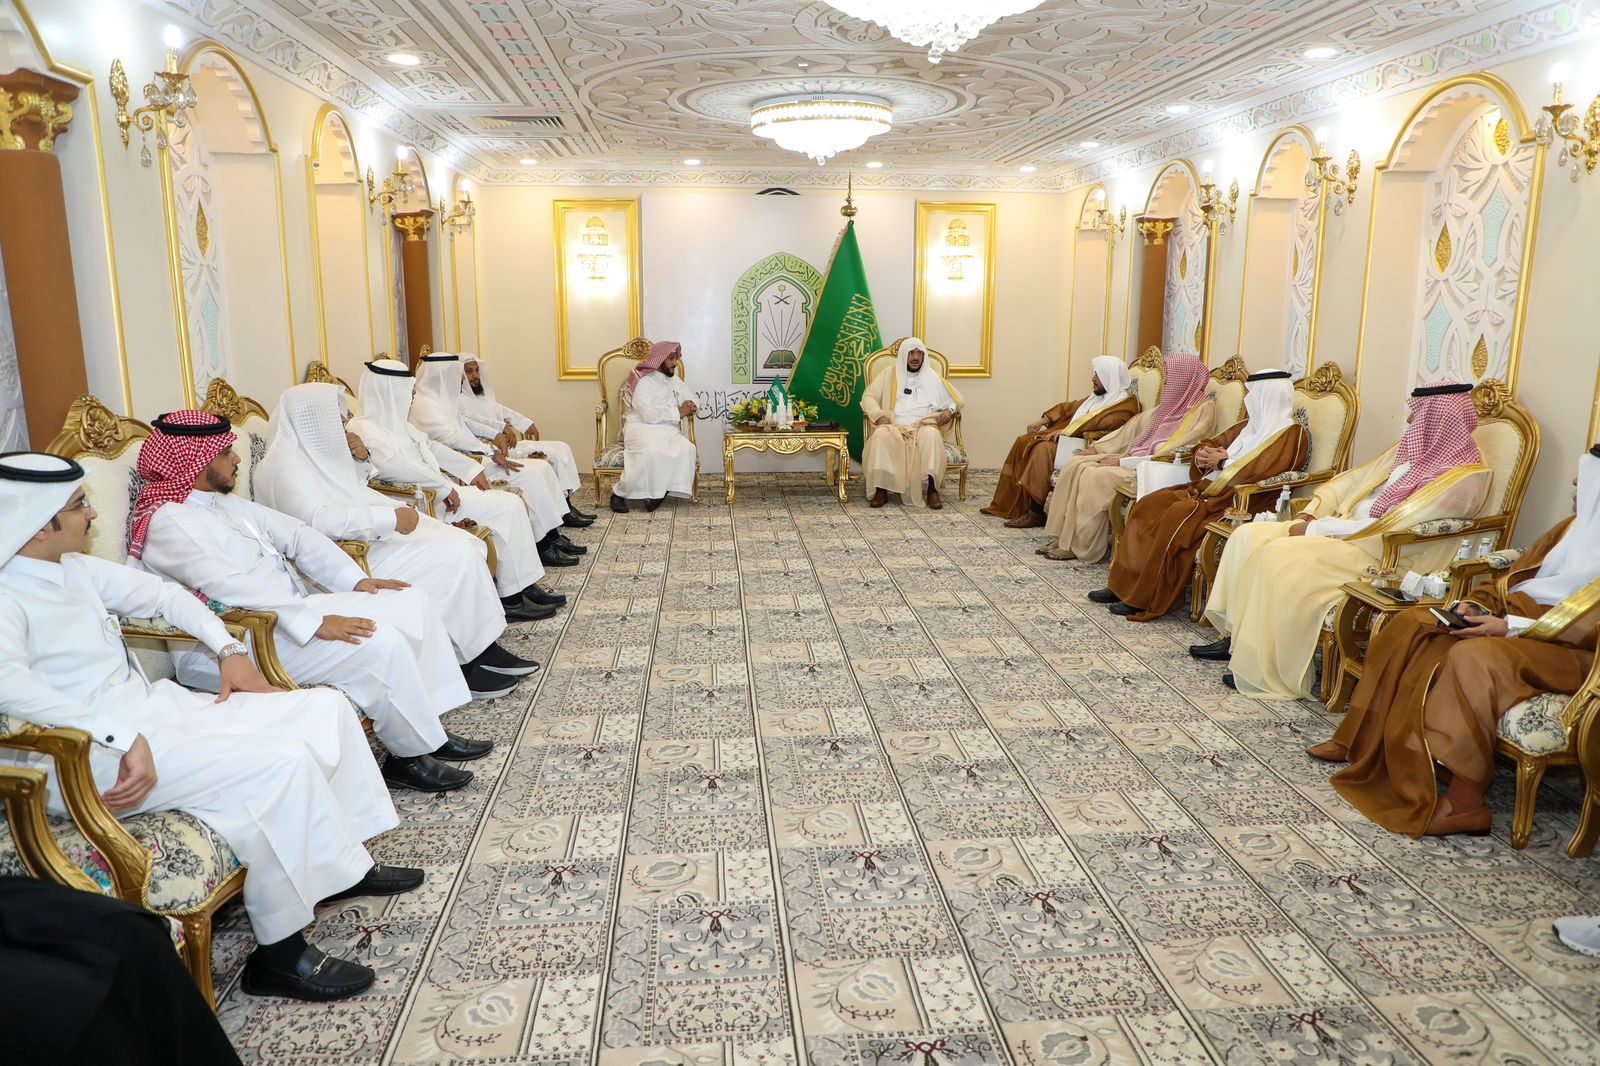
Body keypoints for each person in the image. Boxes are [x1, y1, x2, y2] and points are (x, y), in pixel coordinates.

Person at [0, 452, 418, 1001]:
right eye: (80, 506)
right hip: (85, 755)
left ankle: (346, 864)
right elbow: (9, 684)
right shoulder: (6, 595)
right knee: (280, 763)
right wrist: (118, 735)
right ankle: (280, 958)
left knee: (324, 709)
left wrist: (227, 649)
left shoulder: (72, 568)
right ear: (37, 525)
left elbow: (166, 596)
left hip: (148, 714)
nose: (94, 515)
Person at [131, 411, 492, 793]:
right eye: (225, 453)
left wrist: (356, 580)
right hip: (233, 642)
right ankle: (408, 758)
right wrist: (315, 622)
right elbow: (228, 585)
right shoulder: (170, 522)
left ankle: (430, 730)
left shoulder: (221, 504)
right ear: (197, 461)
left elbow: (298, 536)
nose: (236, 459)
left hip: (287, 614)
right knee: (378, 643)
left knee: (409, 600)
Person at [1308, 445, 1600, 836]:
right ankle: (1361, 740)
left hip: (1574, 652)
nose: (1576, 484)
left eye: (1587, 480)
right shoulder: (1567, 530)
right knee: (1414, 623)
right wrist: (1475, 605)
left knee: (1475, 657)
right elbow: (1510, 581)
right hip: (1520, 627)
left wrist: (1509, 627)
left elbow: (1587, 628)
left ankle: (1467, 800)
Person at [1194, 382, 1491, 700]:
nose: (1409, 421)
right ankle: (1236, 641)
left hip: (1381, 554)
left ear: (1439, 420)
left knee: (1279, 555)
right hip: (1343, 529)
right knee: (1246, 536)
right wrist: (1311, 512)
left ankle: (1268, 667)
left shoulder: (1464, 477)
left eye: (1417, 416)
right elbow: (1349, 482)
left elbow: (1396, 526)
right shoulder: (1408, 451)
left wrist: (1317, 530)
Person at [257, 382, 544, 686]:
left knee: (465, 544)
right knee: (454, 556)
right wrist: (389, 518)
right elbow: (320, 520)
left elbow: (350, 487)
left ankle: (481, 648)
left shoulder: (309, 453)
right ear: (313, 419)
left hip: (365, 539)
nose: (343, 424)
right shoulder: (285, 466)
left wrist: (361, 459)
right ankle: (467, 663)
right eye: (337, 420)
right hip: (341, 561)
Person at [350, 358, 571, 604]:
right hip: (419, 503)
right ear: (389, 391)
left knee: (511, 505)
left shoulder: (399, 425)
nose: (413, 393)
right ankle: (512, 599)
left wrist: (471, 470)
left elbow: (432, 447)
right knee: (505, 507)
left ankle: (522, 587)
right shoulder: (363, 429)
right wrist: (443, 488)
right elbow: (391, 468)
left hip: (441, 491)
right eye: (407, 389)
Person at [1094, 370, 1307, 620]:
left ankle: (1144, 598)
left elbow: (1264, 469)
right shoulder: (1247, 427)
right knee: (1148, 505)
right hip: (1206, 490)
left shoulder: (1292, 434)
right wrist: (1203, 454)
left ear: (1268, 397)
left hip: (1237, 501)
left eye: (1254, 395)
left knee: (1175, 518)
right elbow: (1213, 442)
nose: (1248, 400)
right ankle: (1120, 587)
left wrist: (1223, 463)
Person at [1037, 352, 1213, 563]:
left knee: (1095, 476)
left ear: (1184, 379)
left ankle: (1083, 545)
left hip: (1154, 468)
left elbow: (1176, 450)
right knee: (1076, 463)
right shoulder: (1170, 405)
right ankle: (1065, 537)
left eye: (1170, 378)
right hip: (1134, 458)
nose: (1166, 384)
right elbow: (1131, 430)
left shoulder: (1202, 411)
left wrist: (1122, 462)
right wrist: (1098, 449)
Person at [411, 353, 590, 558]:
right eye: (458, 373)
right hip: (461, 466)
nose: (462, 378)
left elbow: (467, 423)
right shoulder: (425, 405)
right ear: (442, 375)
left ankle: (551, 537)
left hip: (474, 457)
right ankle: (544, 546)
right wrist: (490, 450)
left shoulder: (442, 399)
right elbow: (450, 437)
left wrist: (495, 434)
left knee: (539, 469)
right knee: (531, 474)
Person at [982, 355, 1138, 526]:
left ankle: (1035, 512)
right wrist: (1042, 421)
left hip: (1094, 447)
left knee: (1042, 449)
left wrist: (1068, 430)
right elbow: (1068, 408)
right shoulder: (1097, 398)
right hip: (1072, 440)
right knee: (1025, 441)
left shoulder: (1125, 403)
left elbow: (1107, 423)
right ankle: (1010, 504)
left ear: (1110, 377)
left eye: (1098, 375)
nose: (1093, 379)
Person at [460, 353, 592, 521]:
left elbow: (500, 410)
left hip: (504, 443)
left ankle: (567, 505)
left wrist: (526, 423)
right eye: (469, 371)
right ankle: (565, 514)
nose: (475, 376)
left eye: (477, 370)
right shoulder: (459, 399)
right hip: (492, 450)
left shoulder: (482, 395)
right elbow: (474, 421)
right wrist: (501, 428)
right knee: (551, 454)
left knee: (562, 446)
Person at [861, 338, 964, 510]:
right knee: (879, 435)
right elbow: (868, 396)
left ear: (923, 356)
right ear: (904, 355)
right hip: (894, 426)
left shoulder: (931, 376)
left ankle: (932, 490)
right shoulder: (889, 374)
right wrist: (878, 416)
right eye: (911, 353)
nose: (915, 357)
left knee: (932, 436)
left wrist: (949, 411)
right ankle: (881, 490)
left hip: (923, 426)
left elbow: (955, 399)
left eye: (919, 353)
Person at [611, 340, 699, 513]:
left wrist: (692, 404)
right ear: (659, 361)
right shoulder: (644, 382)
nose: (675, 362)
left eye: (676, 358)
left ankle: (661, 493)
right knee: (652, 451)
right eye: (671, 359)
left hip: (668, 430)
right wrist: (678, 412)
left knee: (687, 448)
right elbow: (647, 414)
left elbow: (692, 398)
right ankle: (619, 494)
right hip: (641, 428)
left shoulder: (676, 382)